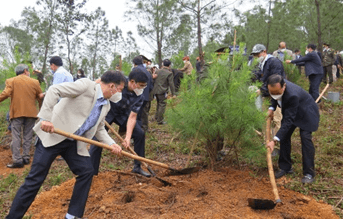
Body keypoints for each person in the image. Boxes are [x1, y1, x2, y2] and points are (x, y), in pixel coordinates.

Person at [6, 71, 125, 219]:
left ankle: (72, 215)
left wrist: (112, 144)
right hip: (53, 135)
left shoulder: (105, 105)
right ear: (112, 86)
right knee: (35, 179)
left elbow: (99, 128)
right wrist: (46, 118)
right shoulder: (86, 86)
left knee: (86, 171)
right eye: (119, 90)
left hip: (73, 142)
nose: (119, 94)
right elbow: (54, 90)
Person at [90, 68, 151, 177]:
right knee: (97, 139)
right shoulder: (120, 82)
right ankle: (92, 172)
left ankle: (137, 167)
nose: (142, 89)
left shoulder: (140, 96)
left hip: (123, 114)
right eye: (140, 85)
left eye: (144, 86)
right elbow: (101, 82)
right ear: (132, 82)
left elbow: (132, 117)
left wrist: (127, 138)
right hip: (108, 111)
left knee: (140, 134)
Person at [266, 74, 319, 184]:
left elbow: (288, 122)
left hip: (306, 113)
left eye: (277, 92)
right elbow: (274, 97)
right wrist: (271, 108)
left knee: (305, 139)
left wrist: (274, 140)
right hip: (293, 110)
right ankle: (285, 167)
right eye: (272, 92)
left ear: (284, 86)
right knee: (284, 137)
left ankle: (309, 173)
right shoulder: (275, 86)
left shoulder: (292, 95)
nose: (275, 95)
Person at [0, 64, 43, 168]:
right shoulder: (35, 82)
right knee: (28, 135)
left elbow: (6, 94)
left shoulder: (11, 81)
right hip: (31, 114)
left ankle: (17, 160)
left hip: (17, 113)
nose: (28, 73)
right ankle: (26, 158)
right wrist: (41, 110)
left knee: (16, 136)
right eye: (28, 71)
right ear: (25, 71)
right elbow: (40, 97)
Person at [251, 44, 286, 156]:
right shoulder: (262, 63)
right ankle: (267, 142)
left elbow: (276, 80)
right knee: (267, 119)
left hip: (276, 95)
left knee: (277, 120)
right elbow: (259, 77)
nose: (257, 56)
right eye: (255, 55)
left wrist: (261, 90)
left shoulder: (274, 62)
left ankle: (277, 144)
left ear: (264, 51)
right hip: (266, 95)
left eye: (258, 54)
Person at [152, 59, 176, 125]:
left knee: (158, 104)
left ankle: (156, 117)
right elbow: (171, 84)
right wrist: (174, 94)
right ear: (169, 65)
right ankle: (160, 121)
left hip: (155, 90)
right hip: (162, 91)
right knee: (162, 105)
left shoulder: (157, 71)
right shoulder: (169, 73)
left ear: (163, 64)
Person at [133, 56, 153, 133]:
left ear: (134, 63)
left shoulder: (135, 70)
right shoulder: (148, 72)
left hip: (137, 96)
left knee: (136, 114)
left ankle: (137, 130)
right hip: (146, 96)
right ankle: (144, 128)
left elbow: (132, 84)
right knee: (144, 113)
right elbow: (151, 85)